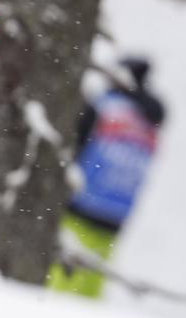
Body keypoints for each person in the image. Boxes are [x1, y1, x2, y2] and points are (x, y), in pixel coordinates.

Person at [48, 57, 165, 297]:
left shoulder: (103, 107)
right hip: (117, 212)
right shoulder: (150, 122)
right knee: (90, 286)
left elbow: (76, 147)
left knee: (59, 283)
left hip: (81, 204)